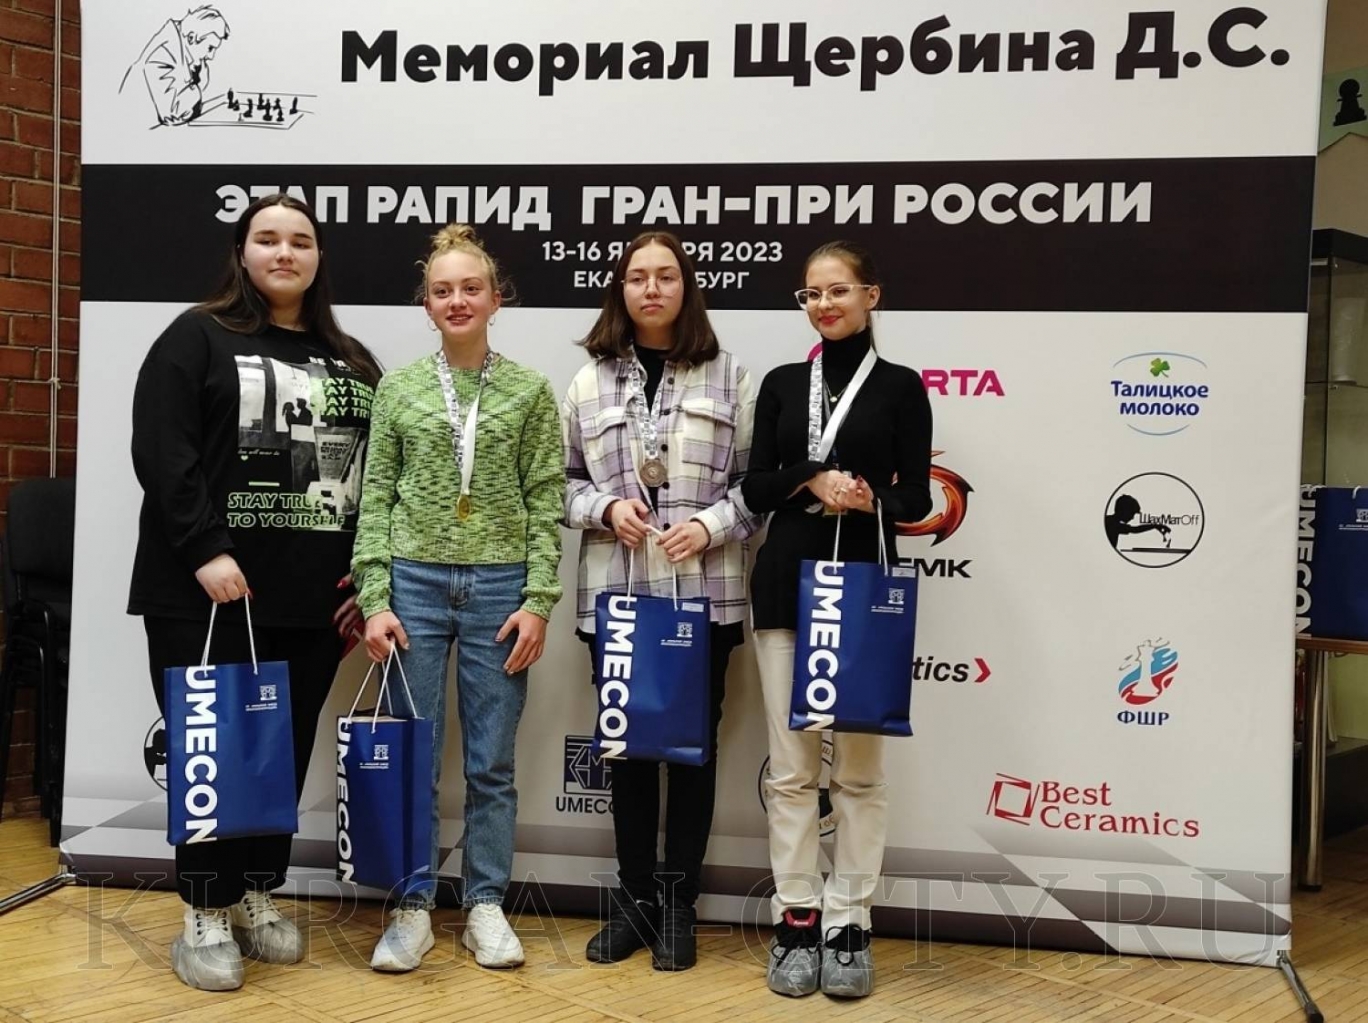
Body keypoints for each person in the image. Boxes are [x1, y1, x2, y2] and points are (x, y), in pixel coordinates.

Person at [129, 193, 381, 991]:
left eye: (300, 240)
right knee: (216, 752)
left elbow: (376, 481)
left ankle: (255, 891)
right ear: (241, 252)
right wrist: (204, 547)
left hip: (312, 600)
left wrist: (367, 578)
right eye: (266, 238)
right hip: (205, 596)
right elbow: (162, 450)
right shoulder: (195, 336)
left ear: (318, 257)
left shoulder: (350, 358)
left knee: (281, 754)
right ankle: (204, 909)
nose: (284, 252)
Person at [352, 224, 565, 974]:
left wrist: (539, 599)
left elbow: (547, 498)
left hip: (501, 590)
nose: (457, 300)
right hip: (411, 583)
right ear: (427, 305)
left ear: (496, 298)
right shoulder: (400, 388)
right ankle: (411, 907)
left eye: (471, 287)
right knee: (414, 756)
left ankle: (484, 905)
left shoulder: (530, 390)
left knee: (490, 762)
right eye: (443, 290)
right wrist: (375, 596)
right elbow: (376, 496)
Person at [562, 232, 759, 971]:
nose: (651, 289)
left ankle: (679, 904)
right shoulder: (588, 382)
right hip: (616, 598)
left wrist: (709, 526)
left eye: (666, 276)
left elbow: (757, 485)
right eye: (638, 276)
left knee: (694, 754)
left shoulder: (730, 375)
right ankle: (636, 900)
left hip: (703, 597)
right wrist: (605, 509)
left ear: (686, 287)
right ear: (620, 288)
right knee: (629, 754)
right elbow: (560, 484)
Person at [742, 241, 932, 999]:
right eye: (811, 294)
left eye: (838, 290)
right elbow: (756, 486)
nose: (823, 304)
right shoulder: (784, 383)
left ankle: (849, 923)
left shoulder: (902, 386)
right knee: (792, 772)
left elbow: (917, 497)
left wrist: (871, 499)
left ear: (871, 296)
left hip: (860, 591)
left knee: (858, 773)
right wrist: (811, 478)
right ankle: (796, 918)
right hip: (785, 585)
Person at [120, 5, 230, 125]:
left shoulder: (182, 50)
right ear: (191, 38)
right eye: (210, 48)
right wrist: (198, 86)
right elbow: (174, 113)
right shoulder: (163, 53)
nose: (211, 56)